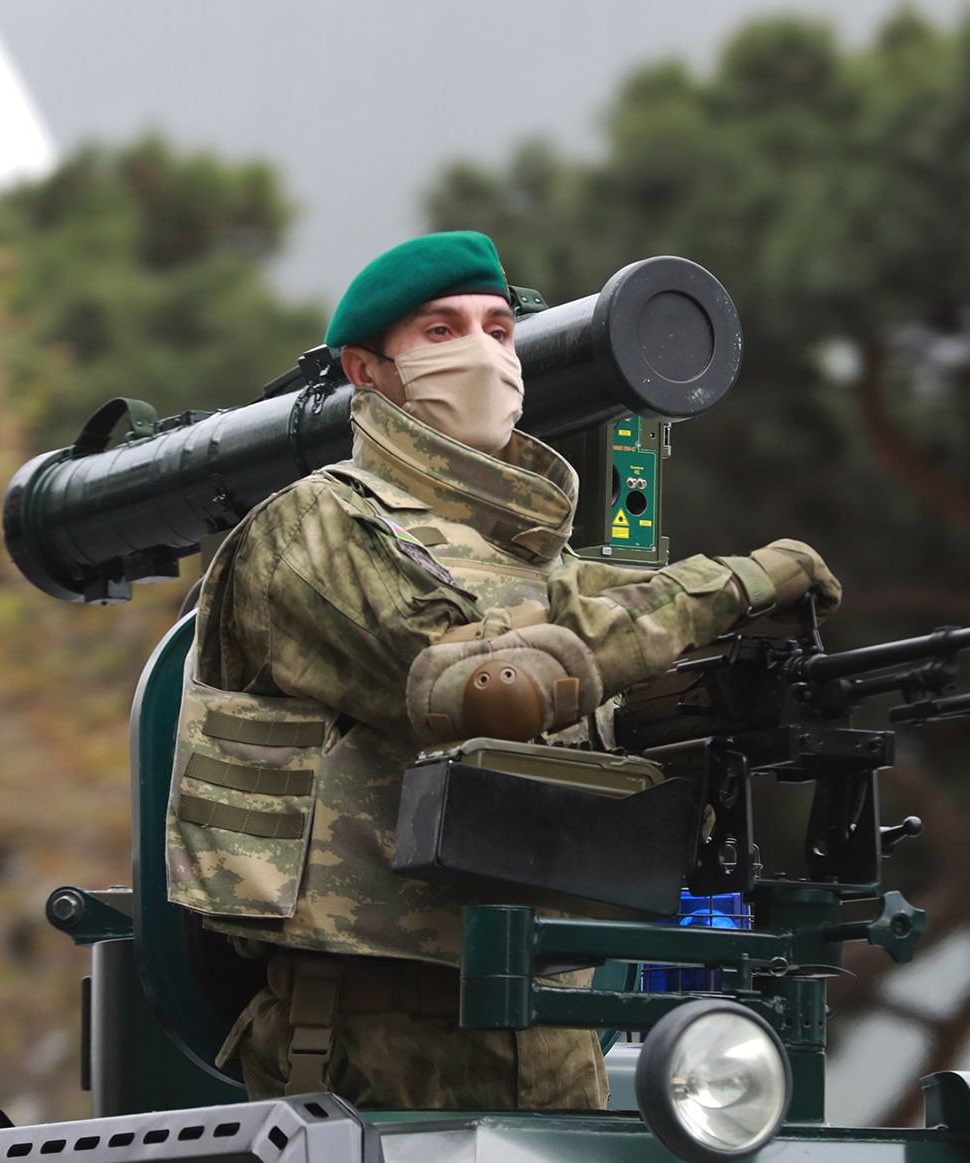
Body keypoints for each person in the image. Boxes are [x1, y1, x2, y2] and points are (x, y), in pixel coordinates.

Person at [167, 230, 840, 1110]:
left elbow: (604, 680)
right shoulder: (315, 527)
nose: (484, 353)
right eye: (442, 331)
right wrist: (728, 587)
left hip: (554, 1025)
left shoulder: (541, 563)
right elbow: (492, 688)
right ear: (367, 371)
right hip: (370, 1034)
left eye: (498, 328)